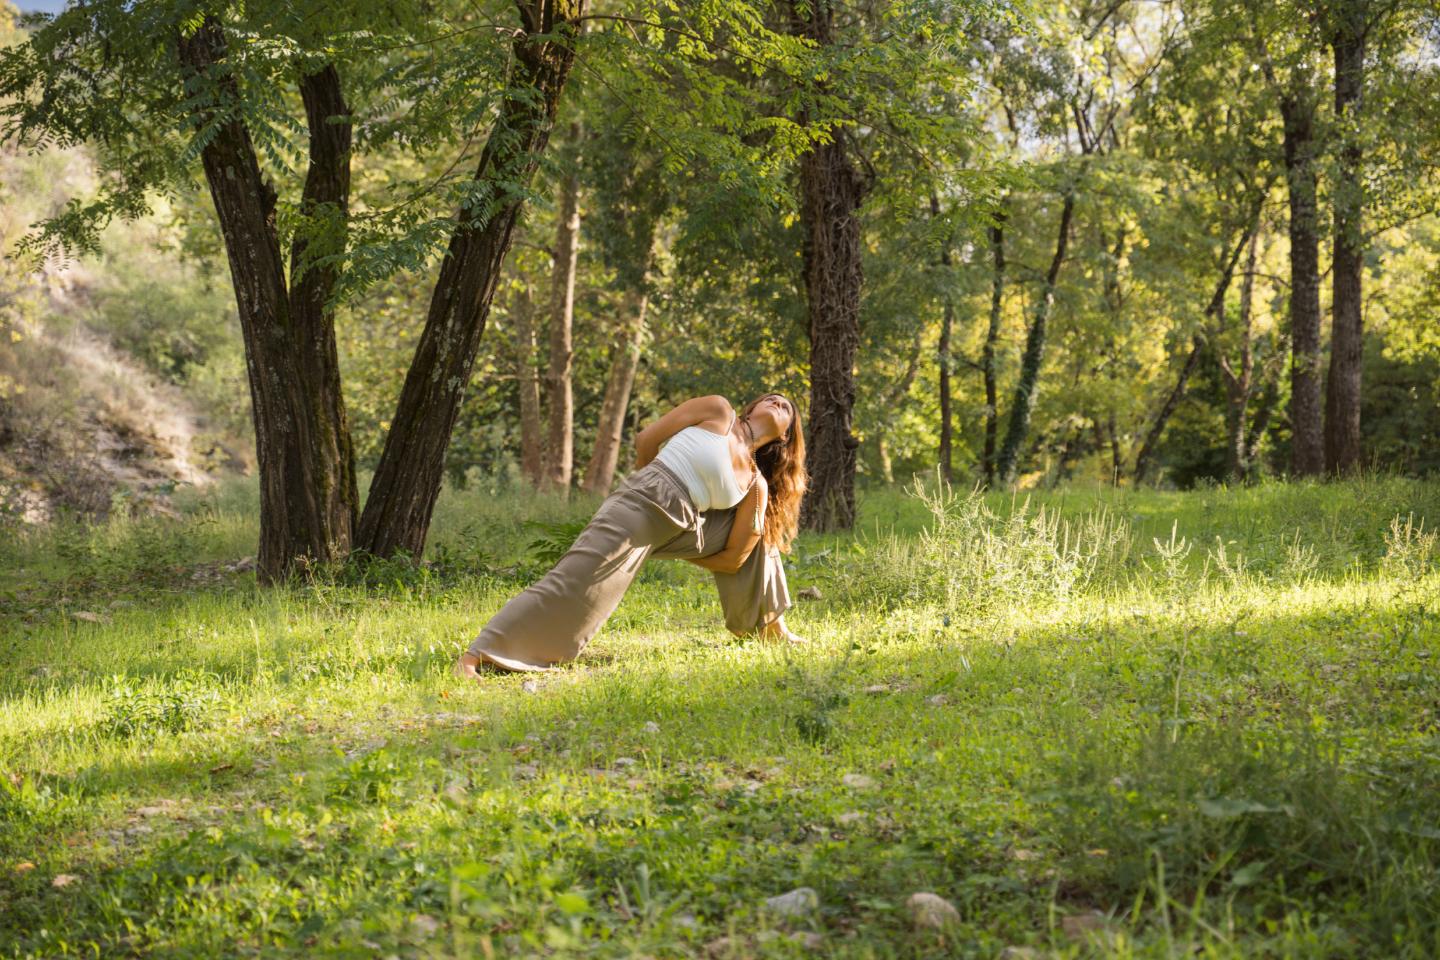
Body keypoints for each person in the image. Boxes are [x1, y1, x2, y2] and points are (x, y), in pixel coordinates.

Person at [455, 393, 807, 676]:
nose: (777, 402)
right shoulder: (719, 411)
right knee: (576, 587)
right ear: (753, 406)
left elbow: (734, 558)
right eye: (770, 398)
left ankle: (767, 626)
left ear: (786, 433)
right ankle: (476, 655)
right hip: (642, 505)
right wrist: (648, 491)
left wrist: (682, 551)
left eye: (786, 407)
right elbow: (646, 439)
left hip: (682, 527)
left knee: (763, 529)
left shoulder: (754, 483)